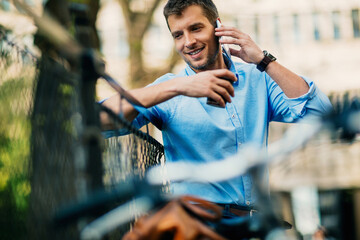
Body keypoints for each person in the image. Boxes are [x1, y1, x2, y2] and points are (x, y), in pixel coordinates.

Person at [101, 0, 332, 215]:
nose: (188, 42)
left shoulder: (257, 78)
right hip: (198, 226)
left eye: (196, 28)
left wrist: (264, 60)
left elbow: (321, 112)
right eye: (178, 35)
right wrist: (179, 87)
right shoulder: (168, 90)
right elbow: (100, 120)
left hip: (255, 225)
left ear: (217, 26)